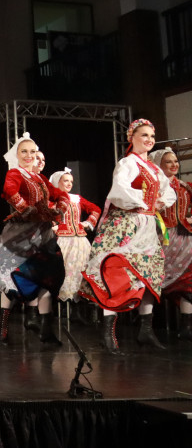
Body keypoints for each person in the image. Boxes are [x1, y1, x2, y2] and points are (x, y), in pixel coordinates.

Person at [82, 119, 175, 354]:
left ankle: (145, 330)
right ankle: (108, 334)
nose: (149, 140)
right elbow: (120, 190)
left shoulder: (153, 168)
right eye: (144, 135)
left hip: (147, 227)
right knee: (116, 276)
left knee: (147, 276)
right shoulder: (127, 163)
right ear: (131, 137)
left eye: (152, 136)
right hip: (126, 225)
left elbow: (168, 192)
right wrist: (145, 201)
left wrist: (159, 202)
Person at [0, 133, 68, 346]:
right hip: (20, 234)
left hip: (42, 235)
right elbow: (9, 190)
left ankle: (45, 330)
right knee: (13, 279)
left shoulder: (40, 178)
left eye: (32, 152)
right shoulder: (15, 173)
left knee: (47, 278)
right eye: (24, 151)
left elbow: (61, 195)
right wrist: (26, 209)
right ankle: (3, 327)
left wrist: (58, 207)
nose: (29, 155)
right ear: (16, 154)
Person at [150, 147, 192, 340]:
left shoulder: (185, 187)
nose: (174, 164)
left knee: (189, 281)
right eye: (169, 162)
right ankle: (147, 328)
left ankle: (186, 326)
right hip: (163, 237)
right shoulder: (154, 187)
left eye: (176, 161)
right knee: (155, 281)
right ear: (160, 165)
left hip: (185, 238)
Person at [48, 168, 100, 315]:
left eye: (71, 181)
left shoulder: (76, 198)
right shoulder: (53, 199)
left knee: (80, 270)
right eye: (66, 181)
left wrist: (88, 222)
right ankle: (62, 306)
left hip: (80, 240)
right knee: (65, 270)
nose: (69, 184)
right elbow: (46, 212)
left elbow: (95, 209)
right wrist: (53, 224)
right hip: (63, 239)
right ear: (57, 182)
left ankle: (77, 308)